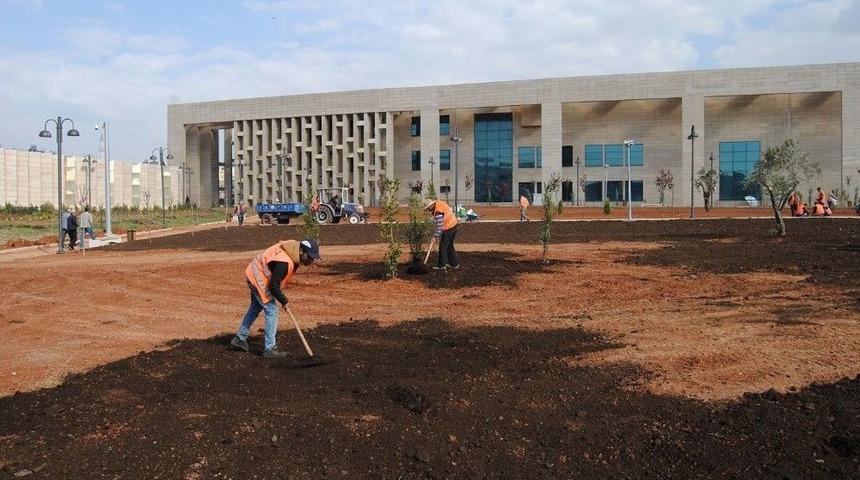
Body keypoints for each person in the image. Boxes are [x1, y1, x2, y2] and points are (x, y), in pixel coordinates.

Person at [230, 238, 321, 357]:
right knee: (272, 310)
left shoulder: (292, 249)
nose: (311, 261)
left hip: (254, 272)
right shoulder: (284, 262)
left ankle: (240, 338)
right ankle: (270, 348)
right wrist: (284, 301)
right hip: (258, 277)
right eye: (309, 257)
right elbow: (273, 285)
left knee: (255, 307)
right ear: (301, 251)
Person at [425, 198, 459, 270]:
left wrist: (435, 236)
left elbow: (439, 227)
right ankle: (454, 264)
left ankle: (441, 265)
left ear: (431, 206)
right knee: (449, 246)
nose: (428, 210)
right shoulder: (440, 204)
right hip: (454, 225)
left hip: (449, 228)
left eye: (428, 208)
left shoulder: (438, 212)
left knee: (443, 247)